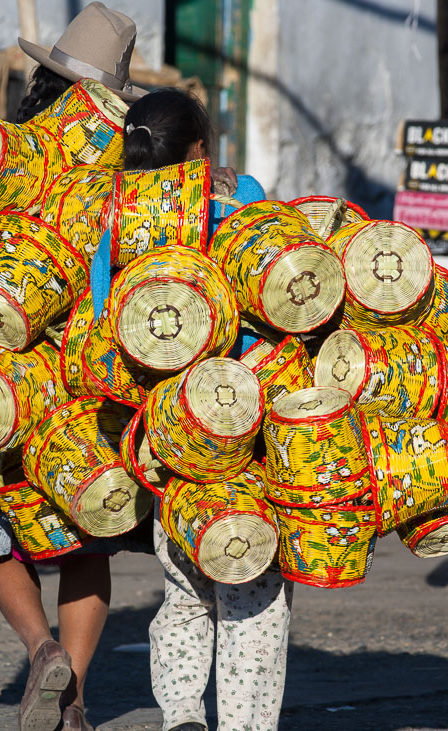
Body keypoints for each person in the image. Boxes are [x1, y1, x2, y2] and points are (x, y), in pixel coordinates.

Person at [0, 5, 145, 731]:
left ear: (42, 80)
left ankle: (41, 649)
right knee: (85, 536)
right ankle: (72, 699)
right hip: (77, 382)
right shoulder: (123, 181)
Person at [90, 89, 293, 731]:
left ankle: (181, 715)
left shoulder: (116, 220)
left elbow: (102, 321)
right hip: (243, 412)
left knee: (184, 586)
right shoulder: (242, 197)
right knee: (251, 587)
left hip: (163, 428)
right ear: (200, 150)